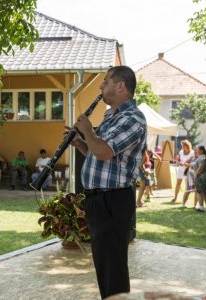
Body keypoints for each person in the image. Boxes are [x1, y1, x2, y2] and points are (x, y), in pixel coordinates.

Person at [71, 66, 147, 299]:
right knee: (104, 265)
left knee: (113, 269)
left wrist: (87, 130)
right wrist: (80, 143)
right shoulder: (111, 116)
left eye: (105, 81)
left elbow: (103, 151)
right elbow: (99, 155)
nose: (101, 86)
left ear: (121, 86)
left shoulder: (133, 119)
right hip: (99, 200)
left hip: (113, 200)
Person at [193, 146, 206, 212]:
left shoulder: (201, 157)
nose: (196, 151)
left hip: (201, 177)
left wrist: (196, 174)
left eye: (197, 150)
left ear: (202, 151)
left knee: (199, 192)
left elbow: (201, 167)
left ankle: (201, 207)